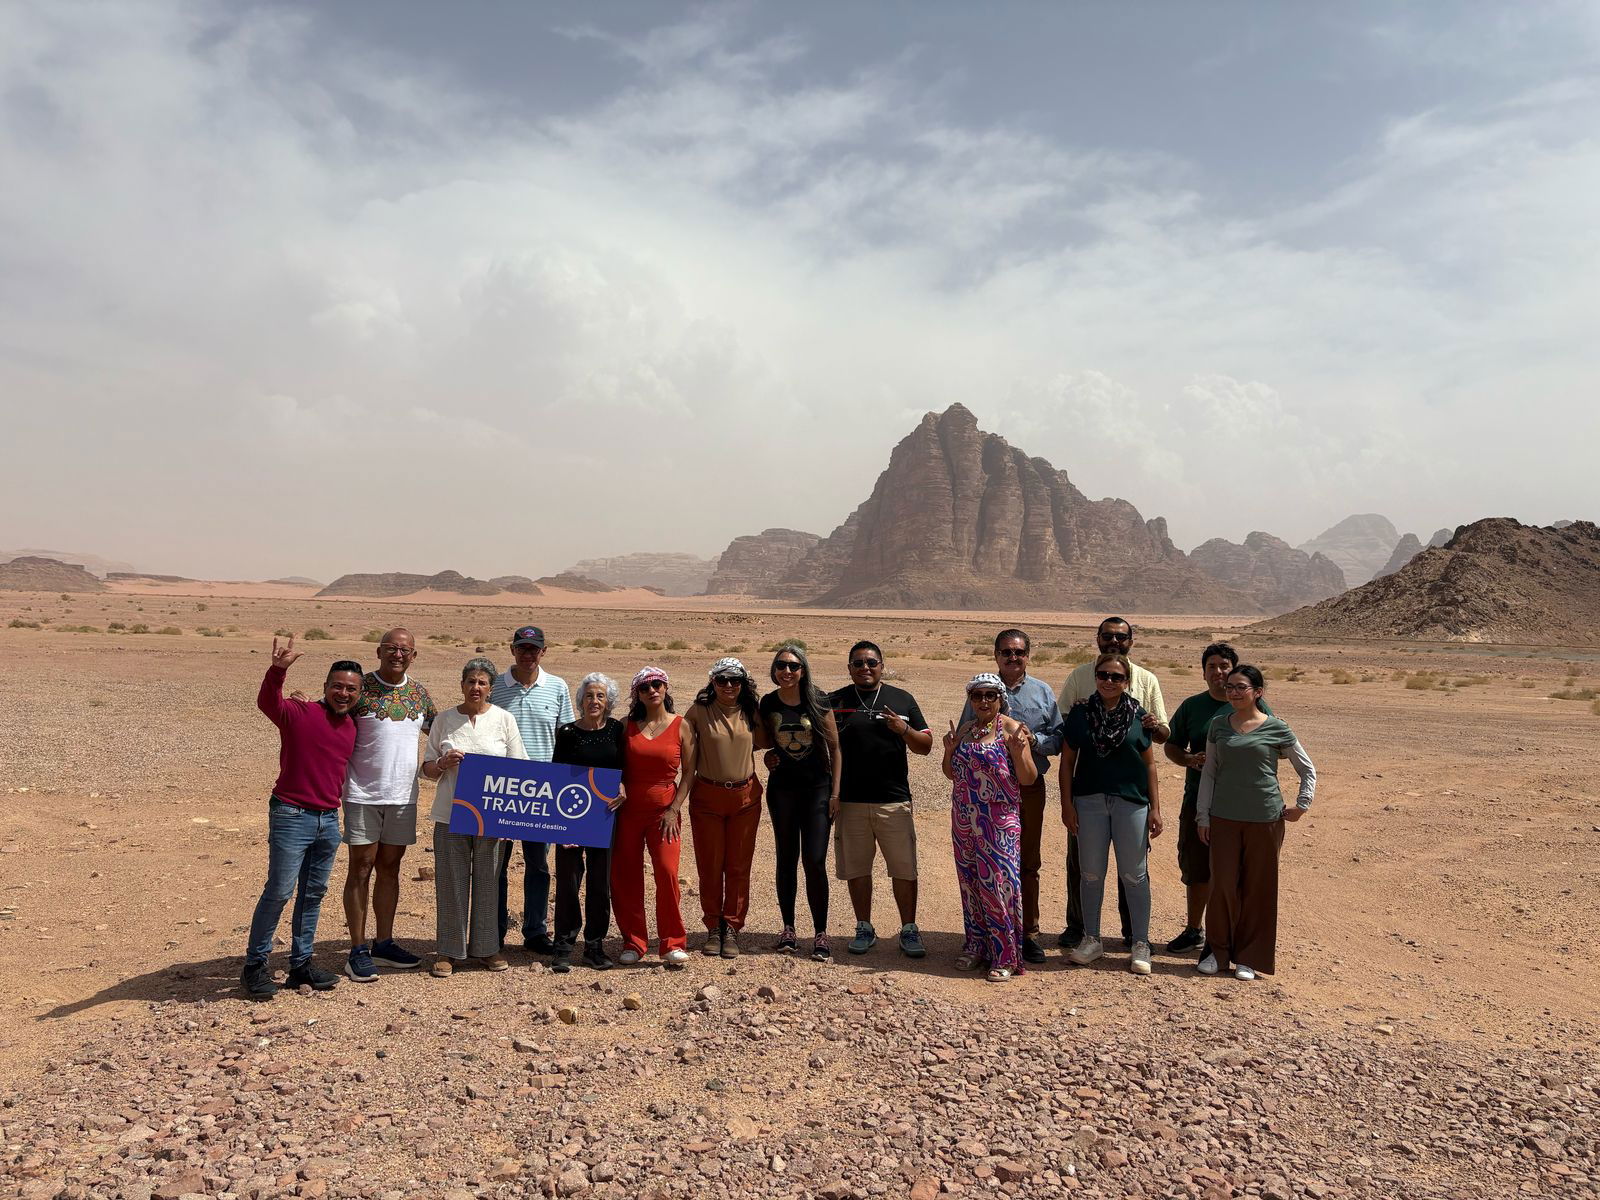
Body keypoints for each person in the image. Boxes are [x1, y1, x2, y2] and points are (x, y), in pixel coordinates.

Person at [240, 637, 361, 999]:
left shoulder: (353, 726)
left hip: (328, 819)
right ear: (325, 688)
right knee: (278, 891)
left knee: (313, 894)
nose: (343, 693)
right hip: (292, 814)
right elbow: (267, 703)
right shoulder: (299, 713)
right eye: (337, 686)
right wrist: (279, 670)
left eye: (351, 689)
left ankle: (300, 964)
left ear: (359, 694)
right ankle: (255, 966)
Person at [1196, 665, 1316, 980]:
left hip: (1264, 819)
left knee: (1257, 888)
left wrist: (1302, 805)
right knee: (1221, 886)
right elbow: (1209, 773)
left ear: (1258, 692)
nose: (1234, 692)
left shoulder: (1277, 727)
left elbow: (1307, 768)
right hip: (1223, 817)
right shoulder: (1218, 726)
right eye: (1230, 687)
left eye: (1241, 687)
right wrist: (1202, 815)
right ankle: (1217, 952)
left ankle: (1248, 957)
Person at [1058, 617, 1170, 950]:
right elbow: (1065, 727)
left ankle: (1133, 935)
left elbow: (1161, 735)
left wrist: (1152, 725)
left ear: (1131, 642)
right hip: (1088, 794)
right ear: (1097, 639)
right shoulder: (1079, 677)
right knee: (1083, 865)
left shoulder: (1147, 681)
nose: (1113, 641)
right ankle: (1081, 930)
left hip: (1130, 795)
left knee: (1132, 869)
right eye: (1107, 636)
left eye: (1121, 637)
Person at [338, 628, 437, 982]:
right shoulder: (359, 689)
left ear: (414, 655)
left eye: (405, 650)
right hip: (363, 794)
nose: (398, 654)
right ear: (379, 651)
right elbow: (328, 719)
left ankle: (384, 942)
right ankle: (357, 949)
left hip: (403, 796)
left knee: (391, 868)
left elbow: (440, 730)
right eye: (392, 649)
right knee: (361, 867)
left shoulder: (419, 693)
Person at [956, 629, 1060, 963]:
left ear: (1028, 655)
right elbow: (965, 736)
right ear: (996, 655)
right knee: (984, 865)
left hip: (1028, 787)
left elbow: (1058, 737)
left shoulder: (1042, 692)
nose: (1012, 658)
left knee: (1026, 862)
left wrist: (1035, 741)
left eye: (1018, 653)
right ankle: (987, 934)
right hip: (987, 796)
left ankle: (1027, 932)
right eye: (1006, 652)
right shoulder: (980, 692)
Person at [1162, 642, 1272, 956]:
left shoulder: (1254, 706)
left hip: (1239, 805)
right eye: (1211, 666)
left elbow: (1273, 741)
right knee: (1196, 869)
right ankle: (1194, 929)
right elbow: (1171, 744)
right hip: (1198, 801)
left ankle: (1223, 936)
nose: (1218, 672)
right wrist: (1186, 759)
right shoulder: (1192, 706)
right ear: (1203, 672)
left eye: (1224, 666)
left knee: (1232, 873)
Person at [422, 657, 528, 977]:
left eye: (482, 682)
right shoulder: (443, 720)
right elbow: (426, 769)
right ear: (462, 685)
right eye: (471, 681)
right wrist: (442, 763)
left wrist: (511, 819)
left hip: (491, 818)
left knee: (488, 881)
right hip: (450, 814)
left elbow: (519, 768)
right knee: (451, 881)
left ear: (490, 688)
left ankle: (486, 948)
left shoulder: (504, 720)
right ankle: (449, 950)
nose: (476, 687)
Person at [829, 641, 933, 958]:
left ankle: (909, 929)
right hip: (851, 801)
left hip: (893, 801)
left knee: (904, 868)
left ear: (882, 665)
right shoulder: (836, 701)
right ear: (849, 668)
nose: (865, 668)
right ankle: (864, 926)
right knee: (858, 868)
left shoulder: (901, 699)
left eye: (871, 662)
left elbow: (925, 745)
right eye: (858, 663)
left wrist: (903, 729)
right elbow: (819, 746)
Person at [942, 673, 1039, 982]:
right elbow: (952, 774)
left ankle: (1005, 954)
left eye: (990, 695)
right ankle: (976, 946)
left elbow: (1028, 778)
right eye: (977, 696)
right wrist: (948, 750)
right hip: (964, 819)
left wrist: (1016, 750)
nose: (983, 701)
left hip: (999, 822)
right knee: (970, 883)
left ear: (1000, 698)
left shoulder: (1012, 729)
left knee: (999, 885)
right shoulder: (967, 729)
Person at [490, 626, 573, 955]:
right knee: (496, 864)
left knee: (538, 865)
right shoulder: (494, 685)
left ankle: (535, 931)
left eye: (534, 648)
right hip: (502, 789)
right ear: (512, 649)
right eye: (522, 648)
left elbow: (565, 738)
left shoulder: (556, 687)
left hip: (542, 791)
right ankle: (491, 930)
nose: (528, 654)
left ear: (543, 651)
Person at [679, 657, 768, 958]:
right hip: (707, 798)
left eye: (735, 680)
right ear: (712, 682)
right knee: (710, 866)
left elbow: (768, 741)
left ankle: (731, 927)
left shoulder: (751, 712)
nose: (729, 686)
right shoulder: (698, 712)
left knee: (739, 866)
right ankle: (713, 927)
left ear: (744, 683)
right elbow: (681, 752)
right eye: (722, 680)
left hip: (745, 797)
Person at [760, 644, 842, 961]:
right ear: (774, 670)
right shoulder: (768, 703)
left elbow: (835, 749)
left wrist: (836, 793)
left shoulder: (818, 700)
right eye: (781, 665)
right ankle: (788, 929)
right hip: (782, 791)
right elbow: (762, 740)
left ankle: (820, 933)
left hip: (818, 789)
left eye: (793, 666)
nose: (787, 671)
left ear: (803, 670)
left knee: (815, 860)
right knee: (786, 857)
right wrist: (767, 755)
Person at [613, 667, 690, 967]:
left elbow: (689, 774)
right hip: (628, 812)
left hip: (664, 814)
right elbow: (613, 765)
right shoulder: (625, 726)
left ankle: (672, 943)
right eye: (645, 687)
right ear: (638, 694)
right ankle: (634, 942)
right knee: (626, 876)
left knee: (668, 874)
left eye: (657, 684)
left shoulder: (682, 726)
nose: (652, 690)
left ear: (666, 687)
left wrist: (675, 809)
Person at [549, 673, 626, 972]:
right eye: (589, 695)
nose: (594, 701)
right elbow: (557, 777)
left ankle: (594, 945)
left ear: (609, 702)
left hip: (605, 816)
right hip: (570, 815)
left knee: (599, 882)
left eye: (601, 696)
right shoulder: (567, 733)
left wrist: (624, 787)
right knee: (568, 881)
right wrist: (561, 824)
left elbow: (624, 769)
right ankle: (564, 945)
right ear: (580, 700)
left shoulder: (617, 730)